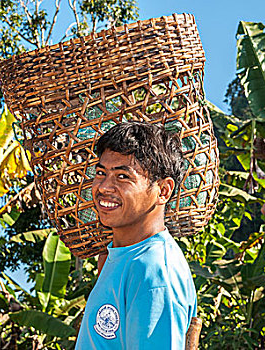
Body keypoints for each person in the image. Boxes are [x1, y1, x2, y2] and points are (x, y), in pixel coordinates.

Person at [75, 121, 197, 349]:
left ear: (164, 190)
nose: (104, 187)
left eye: (122, 177)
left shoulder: (155, 273)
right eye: (101, 173)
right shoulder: (121, 257)